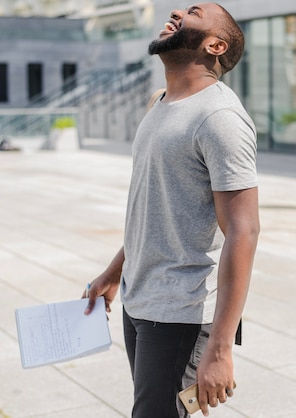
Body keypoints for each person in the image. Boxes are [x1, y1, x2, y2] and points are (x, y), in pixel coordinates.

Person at [83, 3, 260, 418]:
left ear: (215, 45)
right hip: (139, 298)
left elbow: (244, 231)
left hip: (182, 313)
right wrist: (115, 271)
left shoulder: (220, 118)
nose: (178, 10)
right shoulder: (158, 103)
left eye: (194, 13)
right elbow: (155, 208)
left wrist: (219, 349)